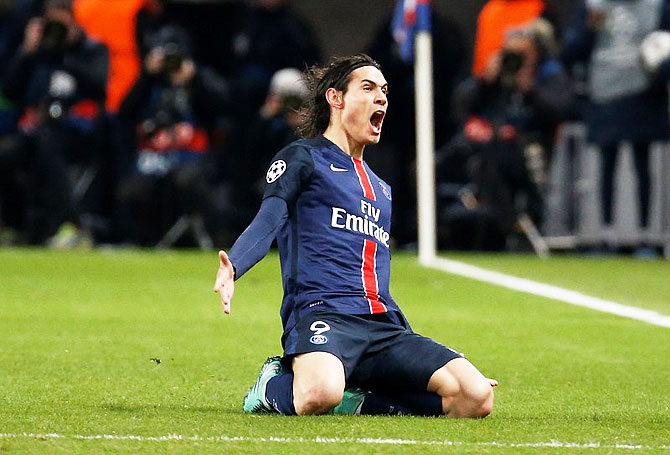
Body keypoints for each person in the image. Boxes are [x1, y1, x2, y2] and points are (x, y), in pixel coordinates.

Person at [213, 54, 497, 417]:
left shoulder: (382, 190)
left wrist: (419, 347)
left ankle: (359, 399)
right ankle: (273, 384)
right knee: (318, 395)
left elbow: (377, 278)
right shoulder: (303, 158)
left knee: (475, 396)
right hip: (325, 315)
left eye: (384, 91)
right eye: (368, 88)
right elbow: (271, 216)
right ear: (336, 98)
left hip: (382, 326)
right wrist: (234, 264)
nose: (381, 98)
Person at [562, 0, 670, 253]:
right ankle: (605, 234)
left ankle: (647, 236)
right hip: (604, 94)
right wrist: (590, 29)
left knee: (643, 165)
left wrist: (658, 72)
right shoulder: (593, 7)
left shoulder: (656, 7)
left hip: (643, 95)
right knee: (606, 164)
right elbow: (570, 53)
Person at [1, 0, 108, 246]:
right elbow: (10, 91)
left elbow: (98, 87)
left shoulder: (92, 49)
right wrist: (26, 52)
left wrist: (66, 52)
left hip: (79, 132)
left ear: (73, 21)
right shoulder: (37, 52)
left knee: (46, 141)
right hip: (39, 132)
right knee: (7, 153)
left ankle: (74, 224)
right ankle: (15, 224)